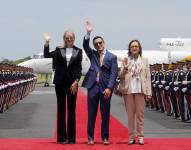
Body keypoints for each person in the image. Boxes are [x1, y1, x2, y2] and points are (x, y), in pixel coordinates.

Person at [82, 21, 118, 145]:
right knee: (91, 114)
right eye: (96, 44)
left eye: (100, 43)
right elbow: (86, 46)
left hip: (105, 89)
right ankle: (90, 137)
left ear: (104, 43)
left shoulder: (112, 57)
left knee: (105, 115)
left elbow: (114, 74)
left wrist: (110, 88)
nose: (98, 45)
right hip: (92, 87)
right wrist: (88, 33)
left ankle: (105, 137)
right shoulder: (92, 55)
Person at [43, 31, 82, 144]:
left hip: (72, 84)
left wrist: (76, 81)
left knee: (71, 110)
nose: (69, 39)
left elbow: (78, 68)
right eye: (67, 37)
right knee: (61, 110)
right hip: (60, 83)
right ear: (64, 38)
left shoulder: (78, 51)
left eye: (71, 37)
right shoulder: (58, 49)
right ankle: (61, 138)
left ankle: (71, 138)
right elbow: (47, 55)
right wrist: (47, 42)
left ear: (74, 38)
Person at [119, 40, 152, 145]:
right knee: (130, 115)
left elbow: (148, 77)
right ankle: (131, 136)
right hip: (128, 90)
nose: (134, 48)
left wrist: (148, 92)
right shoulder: (126, 60)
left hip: (140, 90)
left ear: (139, 48)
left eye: (136, 46)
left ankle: (141, 136)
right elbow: (120, 76)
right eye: (132, 46)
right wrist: (124, 68)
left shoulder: (144, 60)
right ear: (129, 48)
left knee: (140, 114)